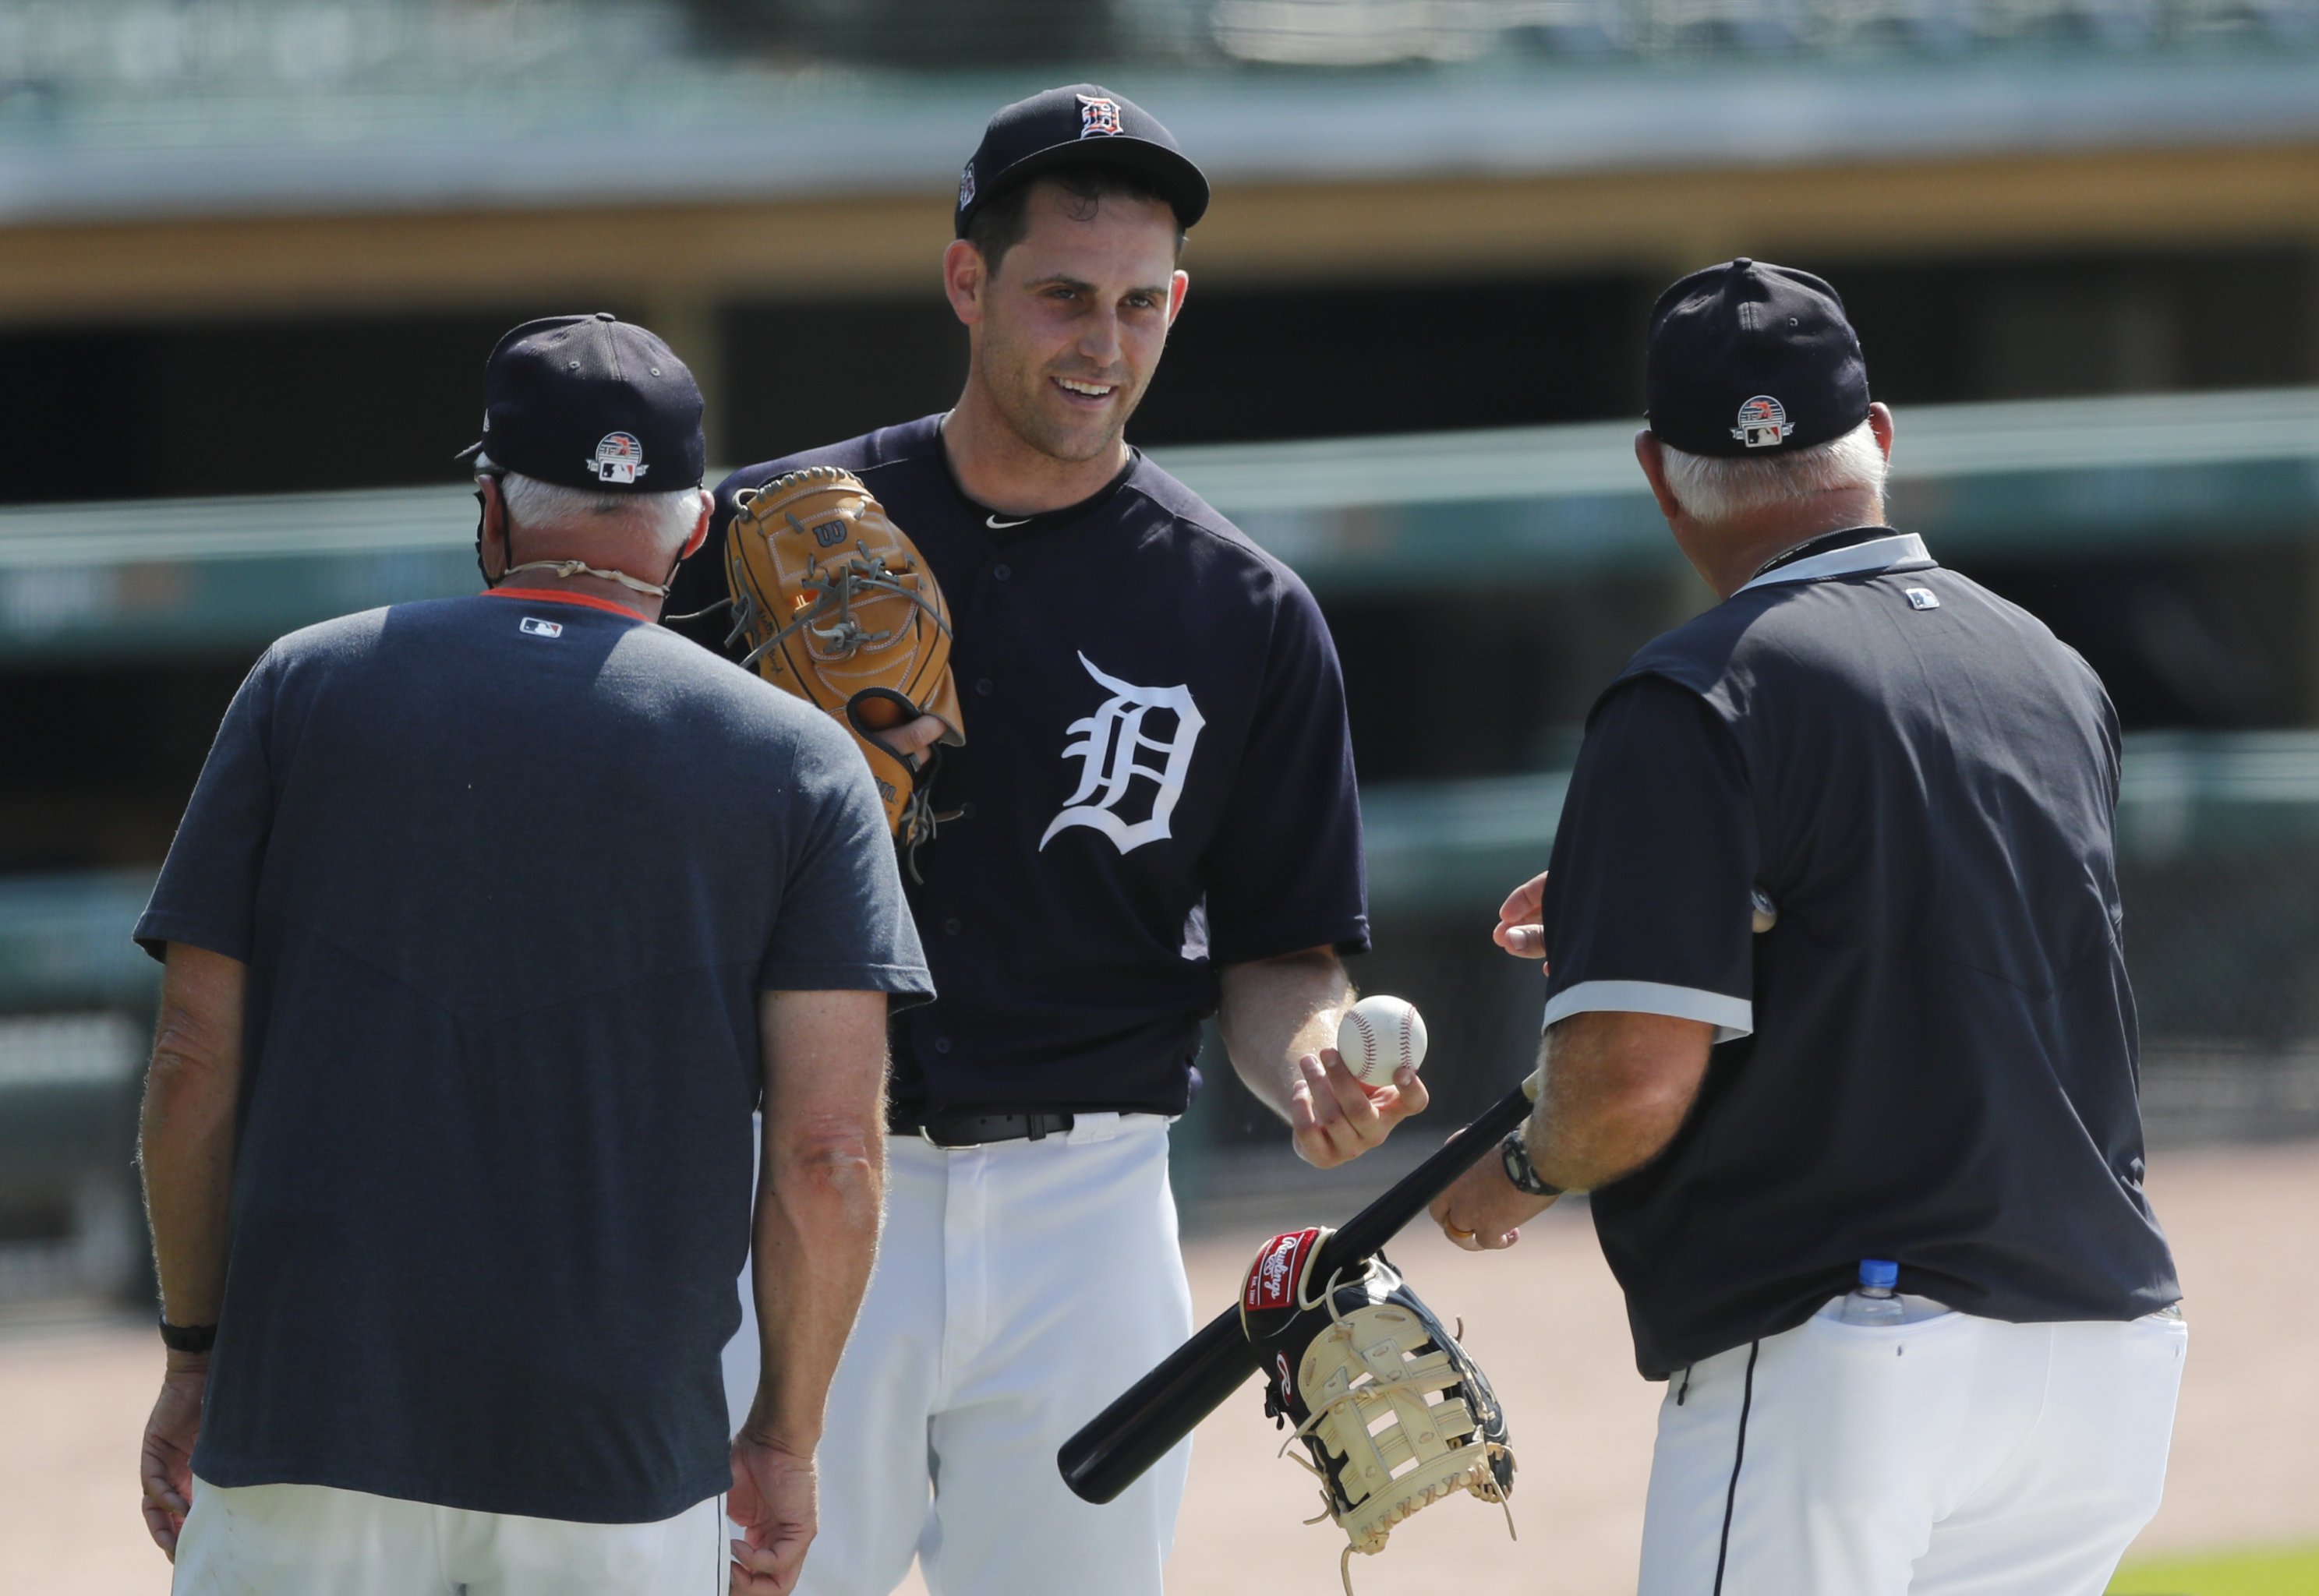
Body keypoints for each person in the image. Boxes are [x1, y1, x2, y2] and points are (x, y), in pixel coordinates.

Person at [663, 84, 1425, 1596]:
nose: (1105, 342)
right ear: (968, 282)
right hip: (807, 1180)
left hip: (1095, 1207)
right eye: (1065, 295)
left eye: (1142, 304)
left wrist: (1318, 1066)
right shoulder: (764, 538)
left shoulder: (1246, 610)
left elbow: (1280, 957)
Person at [133, 313, 931, 1596]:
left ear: (491, 505)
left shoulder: (302, 686)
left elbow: (188, 1063)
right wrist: (783, 1438)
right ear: (690, 526)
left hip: (306, 1415)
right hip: (622, 1457)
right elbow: (831, 1154)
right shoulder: (798, 757)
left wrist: (193, 1354)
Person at [1429, 260, 2186, 1596]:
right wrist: (1663, 901)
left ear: (1662, 476)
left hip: (1854, 1353)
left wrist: (1511, 1182)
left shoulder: (1693, 693)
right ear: (1879, 440)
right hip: (2101, 1351)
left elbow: (1631, 1085)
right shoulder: (2050, 668)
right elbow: (1916, 893)